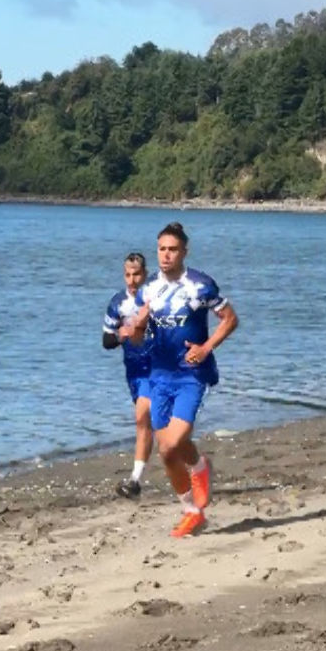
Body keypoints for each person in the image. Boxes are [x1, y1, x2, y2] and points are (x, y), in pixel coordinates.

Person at [131, 223, 238, 538]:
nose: (166, 255)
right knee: (165, 452)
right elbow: (138, 339)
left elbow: (231, 319)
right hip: (159, 375)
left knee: (175, 441)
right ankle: (192, 511)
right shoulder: (149, 289)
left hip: (192, 374)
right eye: (162, 249)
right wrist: (136, 328)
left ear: (184, 252)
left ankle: (201, 467)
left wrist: (206, 347)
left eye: (172, 249)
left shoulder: (201, 285)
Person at [103, 252, 154, 499]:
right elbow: (106, 340)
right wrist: (120, 335)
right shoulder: (118, 303)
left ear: (145, 274)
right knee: (150, 423)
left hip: (159, 367)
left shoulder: (156, 297)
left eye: (137, 275)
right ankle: (191, 466)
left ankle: (134, 481)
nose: (132, 280)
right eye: (128, 275)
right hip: (134, 370)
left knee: (142, 418)